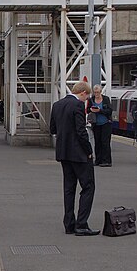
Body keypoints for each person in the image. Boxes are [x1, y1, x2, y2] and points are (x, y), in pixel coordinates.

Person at [49, 81, 98, 235]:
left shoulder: (57, 105)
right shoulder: (77, 106)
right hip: (79, 154)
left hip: (63, 153)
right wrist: (89, 150)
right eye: (87, 96)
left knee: (69, 188)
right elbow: (81, 131)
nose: (86, 100)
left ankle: (69, 224)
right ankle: (82, 224)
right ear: (82, 93)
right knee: (88, 187)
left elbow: (53, 129)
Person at [87, 85, 113, 165]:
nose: (96, 94)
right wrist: (91, 110)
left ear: (101, 92)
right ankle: (98, 160)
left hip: (106, 123)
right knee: (97, 142)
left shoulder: (106, 99)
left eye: (97, 92)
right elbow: (87, 110)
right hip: (96, 124)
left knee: (105, 142)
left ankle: (107, 161)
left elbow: (109, 111)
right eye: (95, 92)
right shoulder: (91, 100)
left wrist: (100, 110)